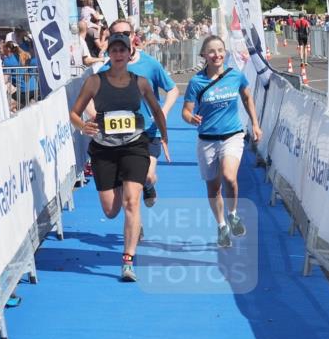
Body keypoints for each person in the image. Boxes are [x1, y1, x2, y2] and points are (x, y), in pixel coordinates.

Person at [69, 32, 169, 282]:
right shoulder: (95, 81)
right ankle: (135, 184)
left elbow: (157, 111)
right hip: (104, 149)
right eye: (114, 51)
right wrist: (83, 126)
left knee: (131, 204)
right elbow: (74, 113)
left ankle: (128, 260)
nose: (118, 55)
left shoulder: (141, 82)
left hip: (135, 145)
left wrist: (165, 138)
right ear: (109, 54)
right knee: (111, 209)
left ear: (129, 52)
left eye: (122, 50)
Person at [182, 35, 262, 248]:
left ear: (225, 52)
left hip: (232, 135)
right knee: (213, 188)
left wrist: (255, 124)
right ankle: (221, 226)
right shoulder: (196, 82)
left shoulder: (235, 76)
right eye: (211, 51)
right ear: (204, 56)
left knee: (229, 176)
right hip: (207, 139)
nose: (217, 54)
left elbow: (247, 97)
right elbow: (186, 111)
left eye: (220, 50)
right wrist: (192, 118)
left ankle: (233, 213)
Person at [98, 18, 178, 208]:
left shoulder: (150, 64)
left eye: (126, 34)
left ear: (133, 36)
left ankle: (149, 186)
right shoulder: (106, 69)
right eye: (117, 35)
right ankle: (135, 223)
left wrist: (164, 111)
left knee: (147, 176)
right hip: (122, 135)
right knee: (130, 188)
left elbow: (173, 89)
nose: (122, 38)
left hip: (149, 132)